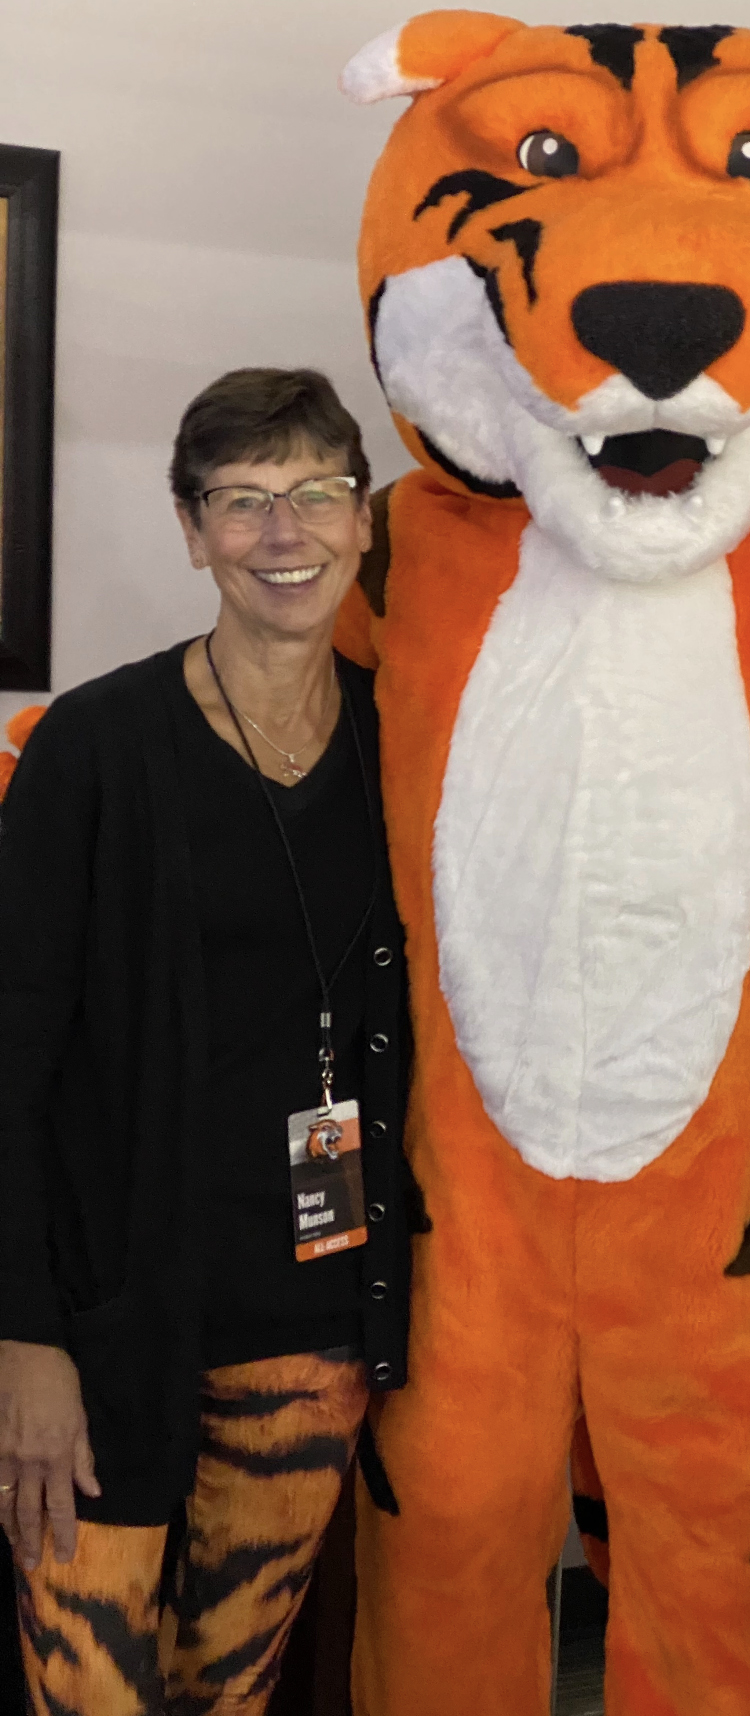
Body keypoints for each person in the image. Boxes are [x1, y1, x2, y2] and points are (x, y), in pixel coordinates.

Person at [0, 367, 415, 1713]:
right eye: (243, 501)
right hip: (111, 1326)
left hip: (310, 1324)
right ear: (193, 530)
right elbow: (6, 1064)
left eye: (313, 494)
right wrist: (23, 1341)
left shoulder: (402, 745)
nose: (283, 532)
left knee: (225, 1690)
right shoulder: (95, 749)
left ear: (363, 520)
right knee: (92, 1695)